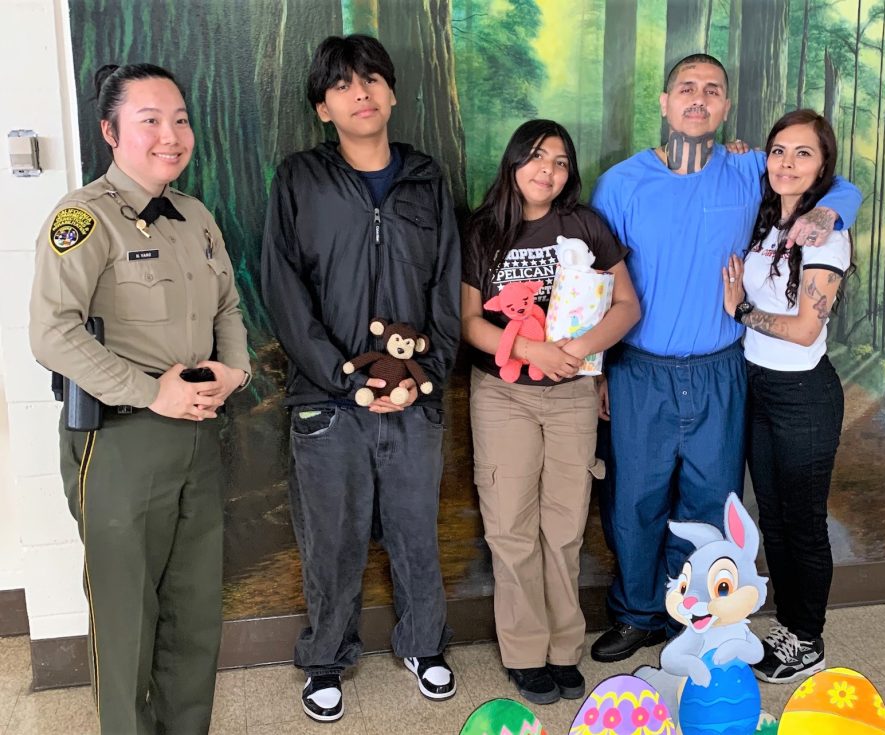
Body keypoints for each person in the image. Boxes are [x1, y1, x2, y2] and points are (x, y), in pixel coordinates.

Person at [589, 53, 862, 663]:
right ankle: (637, 614)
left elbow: (835, 183)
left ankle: (696, 616)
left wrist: (832, 209)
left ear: (726, 107)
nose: (698, 98)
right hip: (639, 369)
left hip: (721, 369)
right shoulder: (622, 183)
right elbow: (597, 285)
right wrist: (600, 371)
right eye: (685, 88)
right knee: (635, 498)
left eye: (712, 90)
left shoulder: (746, 172)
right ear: (663, 103)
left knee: (710, 501)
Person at [28, 63, 251, 733]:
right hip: (120, 442)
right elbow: (52, 333)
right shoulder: (82, 219)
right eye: (149, 119)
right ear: (110, 130)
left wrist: (234, 370)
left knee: (193, 612)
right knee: (126, 622)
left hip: (196, 438)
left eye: (178, 118)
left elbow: (229, 306)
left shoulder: (196, 217)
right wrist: (150, 392)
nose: (170, 134)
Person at [260, 35, 461, 722]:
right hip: (328, 401)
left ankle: (425, 643)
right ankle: (326, 656)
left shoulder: (427, 178)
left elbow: (446, 285)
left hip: (413, 398)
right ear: (323, 106)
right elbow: (283, 288)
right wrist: (342, 378)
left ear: (394, 92)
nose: (361, 91)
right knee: (332, 536)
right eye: (343, 84)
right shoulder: (298, 178)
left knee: (414, 528)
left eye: (373, 78)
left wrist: (424, 375)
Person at [461, 120, 640, 704]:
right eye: (537, 157)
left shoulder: (585, 225)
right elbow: (470, 323)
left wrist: (580, 350)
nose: (549, 170)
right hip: (504, 395)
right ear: (513, 162)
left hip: (572, 394)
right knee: (511, 528)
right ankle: (523, 651)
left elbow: (627, 305)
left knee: (563, 528)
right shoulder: (484, 230)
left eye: (561, 162)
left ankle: (565, 648)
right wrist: (530, 348)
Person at [721, 109, 850, 683]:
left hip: (804, 395)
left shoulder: (828, 232)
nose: (786, 163)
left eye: (803, 153)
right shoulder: (769, 221)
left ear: (823, 166)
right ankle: (790, 628)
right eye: (778, 151)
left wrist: (742, 311)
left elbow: (804, 329)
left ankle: (808, 639)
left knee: (802, 523)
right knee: (772, 516)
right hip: (759, 387)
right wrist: (741, 150)